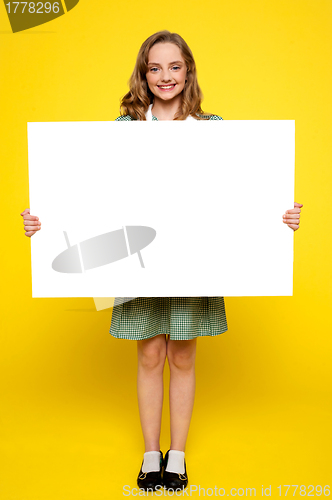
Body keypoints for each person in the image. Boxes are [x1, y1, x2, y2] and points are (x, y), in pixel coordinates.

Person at [20, 30, 303, 493]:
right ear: (144, 74)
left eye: (174, 66)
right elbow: (91, 194)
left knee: (184, 356)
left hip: (196, 259)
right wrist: (45, 225)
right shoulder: (123, 129)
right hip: (139, 262)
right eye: (155, 68)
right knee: (151, 354)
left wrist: (279, 219)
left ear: (188, 70)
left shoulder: (214, 129)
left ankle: (179, 455)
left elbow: (239, 195)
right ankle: (152, 453)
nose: (165, 76)